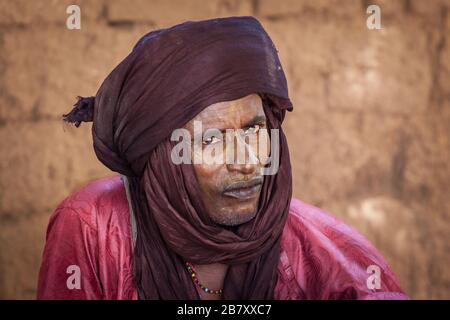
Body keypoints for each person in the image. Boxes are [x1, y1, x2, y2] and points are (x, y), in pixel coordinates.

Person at [37, 16, 408, 300]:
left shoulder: (321, 249)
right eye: (212, 139)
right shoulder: (91, 226)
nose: (247, 163)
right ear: (163, 156)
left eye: (254, 130)